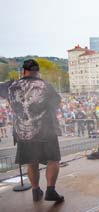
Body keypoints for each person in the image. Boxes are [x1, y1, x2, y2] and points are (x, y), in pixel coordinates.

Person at [0, 59, 64, 203]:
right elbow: (56, 104)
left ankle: (35, 191)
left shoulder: (11, 86)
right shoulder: (46, 86)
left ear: (23, 71)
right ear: (37, 71)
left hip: (22, 132)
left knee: (31, 162)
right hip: (46, 131)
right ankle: (50, 190)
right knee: (53, 160)